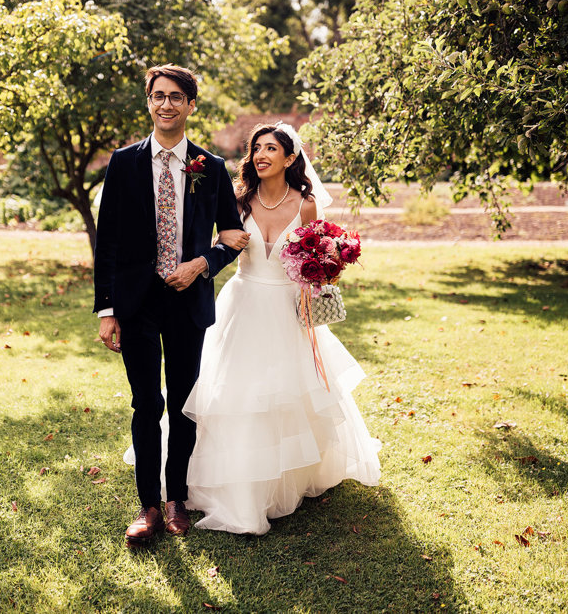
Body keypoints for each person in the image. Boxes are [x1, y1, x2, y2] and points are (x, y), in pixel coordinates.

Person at [182, 122, 382, 535]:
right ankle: (236, 483)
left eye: (271, 148)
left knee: (283, 397)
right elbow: (214, 245)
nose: (261, 155)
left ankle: (283, 477)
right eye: (256, 148)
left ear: (290, 158)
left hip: (287, 312)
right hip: (243, 304)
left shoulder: (306, 204)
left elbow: (320, 258)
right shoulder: (239, 201)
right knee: (238, 394)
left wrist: (325, 269)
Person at [92, 64, 249, 547]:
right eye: (158, 96)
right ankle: (148, 507)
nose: (166, 104)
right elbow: (109, 241)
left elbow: (233, 238)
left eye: (176, 97)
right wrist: (107, 310)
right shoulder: (123, 163)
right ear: (149, 102)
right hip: (136, 303)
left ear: (190, 105)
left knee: (183, 404)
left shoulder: (210, 167)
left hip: (187, 302)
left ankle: (177, 496)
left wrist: (201, 263)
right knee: (146, 403)